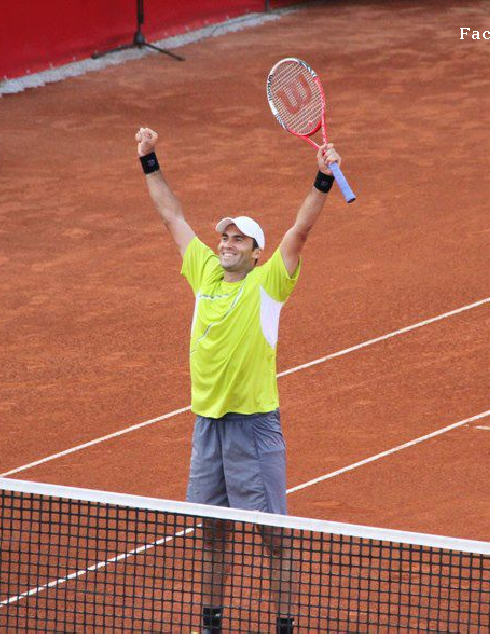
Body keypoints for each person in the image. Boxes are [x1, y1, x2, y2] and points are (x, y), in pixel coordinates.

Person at [135, 126, 342, 633]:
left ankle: (284, 624)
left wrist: (323, 177)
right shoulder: (204, 272)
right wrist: (149, 160)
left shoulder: (269, 283)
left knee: (272, 536)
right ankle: (211, 622)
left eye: (238, 238)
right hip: (208, 426)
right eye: (224, 235)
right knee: (212, 532)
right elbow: (171, 216)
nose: (226, 242)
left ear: (256, 252)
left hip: (254, 428)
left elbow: (299, 232)